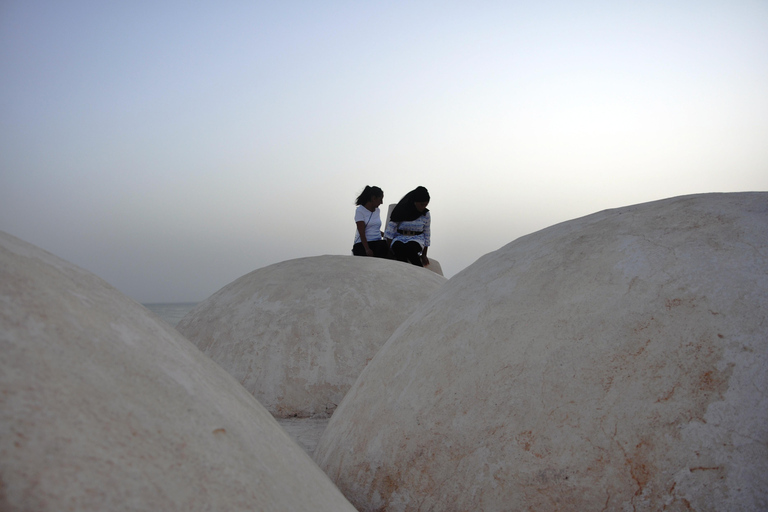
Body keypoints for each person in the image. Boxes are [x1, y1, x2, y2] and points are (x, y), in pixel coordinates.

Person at [385, 186, 431, 267]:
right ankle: (404, 271)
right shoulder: (401, 210)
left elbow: (427, 233)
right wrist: (388, 250)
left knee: (410, 250)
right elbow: (391, 229)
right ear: (415, 201)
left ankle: (419, 271)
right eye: (421, 204)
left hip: (416, 239)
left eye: (425, 205)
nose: (423, 207)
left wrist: (424, 255)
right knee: (398, 249)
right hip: (399, 237)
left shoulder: (425, 214)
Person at [352, 185, 389, 258]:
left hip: (378, 242)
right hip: (363, 244)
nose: (381, 202)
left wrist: (386, 235)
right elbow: (361, 233)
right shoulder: (360, 210)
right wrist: (367, 249)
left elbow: (374, 229)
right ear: (373, 198)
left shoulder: (377, 211)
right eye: (380, 199)